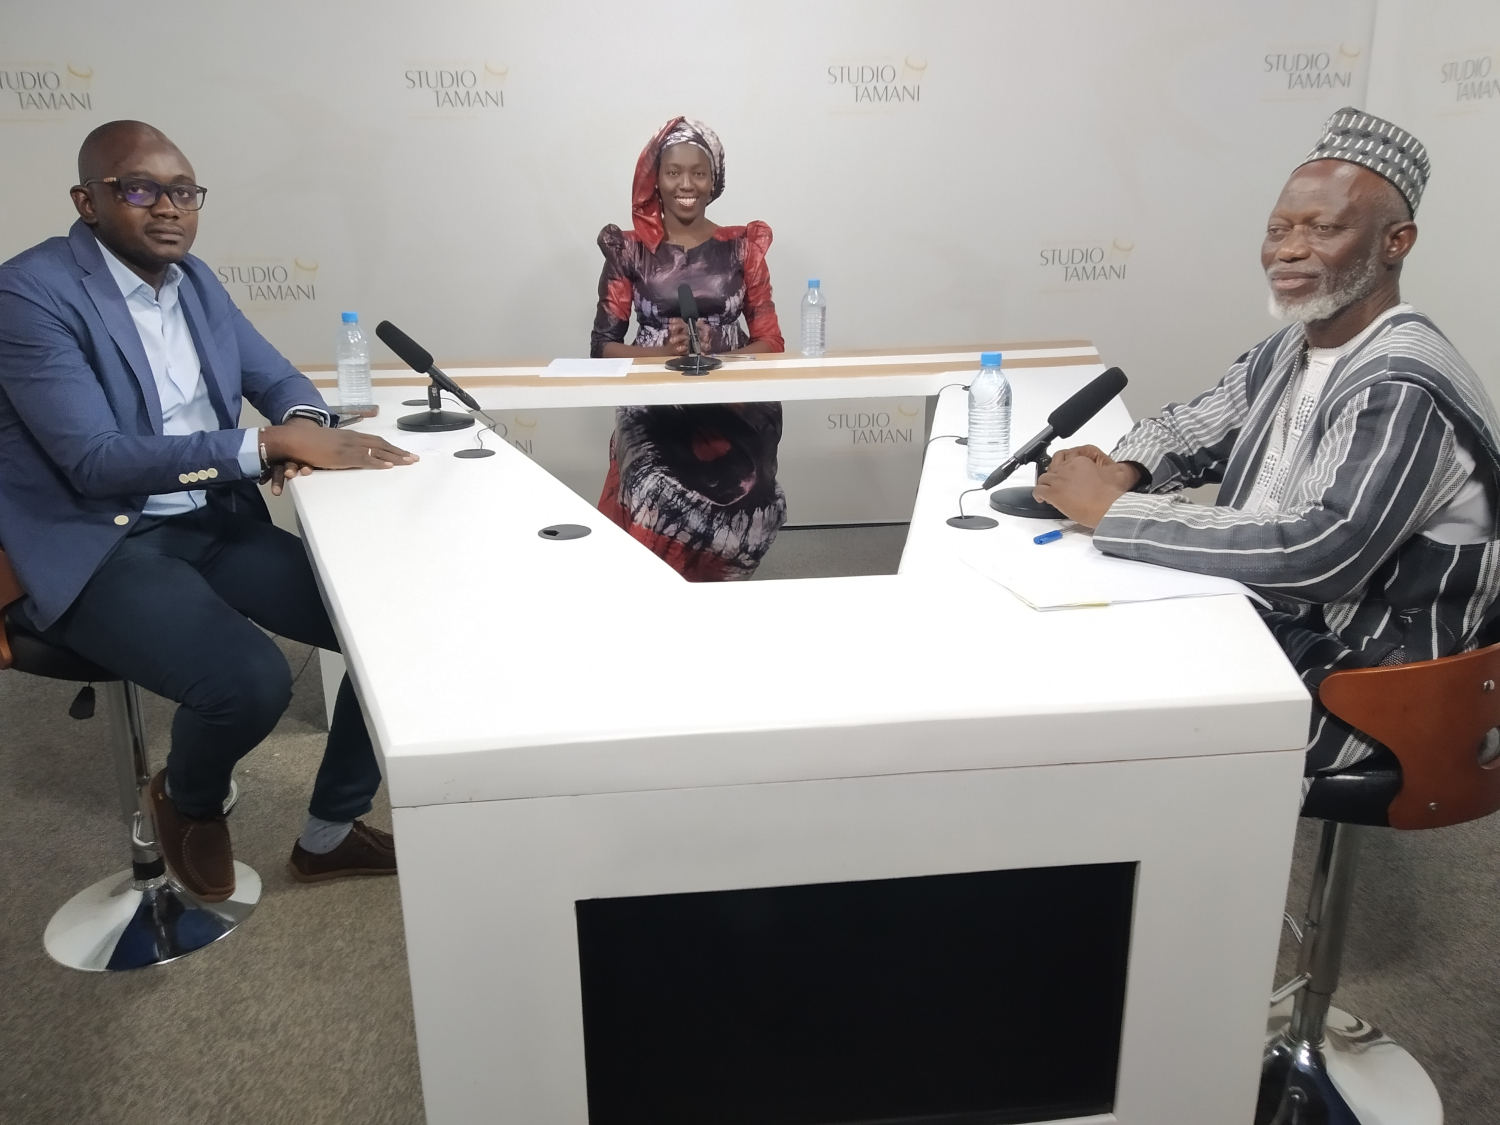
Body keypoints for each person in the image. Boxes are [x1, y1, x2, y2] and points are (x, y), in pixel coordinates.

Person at [0, 120, 417, 902]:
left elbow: (279, 380)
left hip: (208, 519)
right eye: (139, 189)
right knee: (250, 682)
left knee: (391, 630)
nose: (168, 208)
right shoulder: (28, 293)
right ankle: (187, 797)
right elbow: (95, 461)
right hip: (101, 538)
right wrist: (264, 446)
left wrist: (305, 426)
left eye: (184, 191)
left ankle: (328, 834)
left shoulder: (194, 282)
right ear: (87, 201)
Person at [1033, 107, 1500, 781]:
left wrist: (1113, 511)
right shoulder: (1293, 347)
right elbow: (1188, 428)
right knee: (1079, 649)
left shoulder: (1401, 383)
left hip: (1375, 675)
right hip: (1281, 614)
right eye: (1279, 229)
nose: (1288, 249)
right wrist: (1124, 470)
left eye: (1323, 228)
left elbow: (1319, 552)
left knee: (1105, 711)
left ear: (1395, 242)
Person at [590, 116, 787, 581]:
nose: (686, 184)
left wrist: (720, 351)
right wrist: (666, 353)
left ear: (714, 180)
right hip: (654, 407)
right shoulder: (629, 250)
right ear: (656, 179)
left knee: (746, 500)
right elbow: (602, 348)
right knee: (652, 490)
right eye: (674, 172)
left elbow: (772, 343)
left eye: (698, 173)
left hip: (733, 404)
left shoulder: (742, 248)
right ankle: (655, 598)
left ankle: (715, 600)